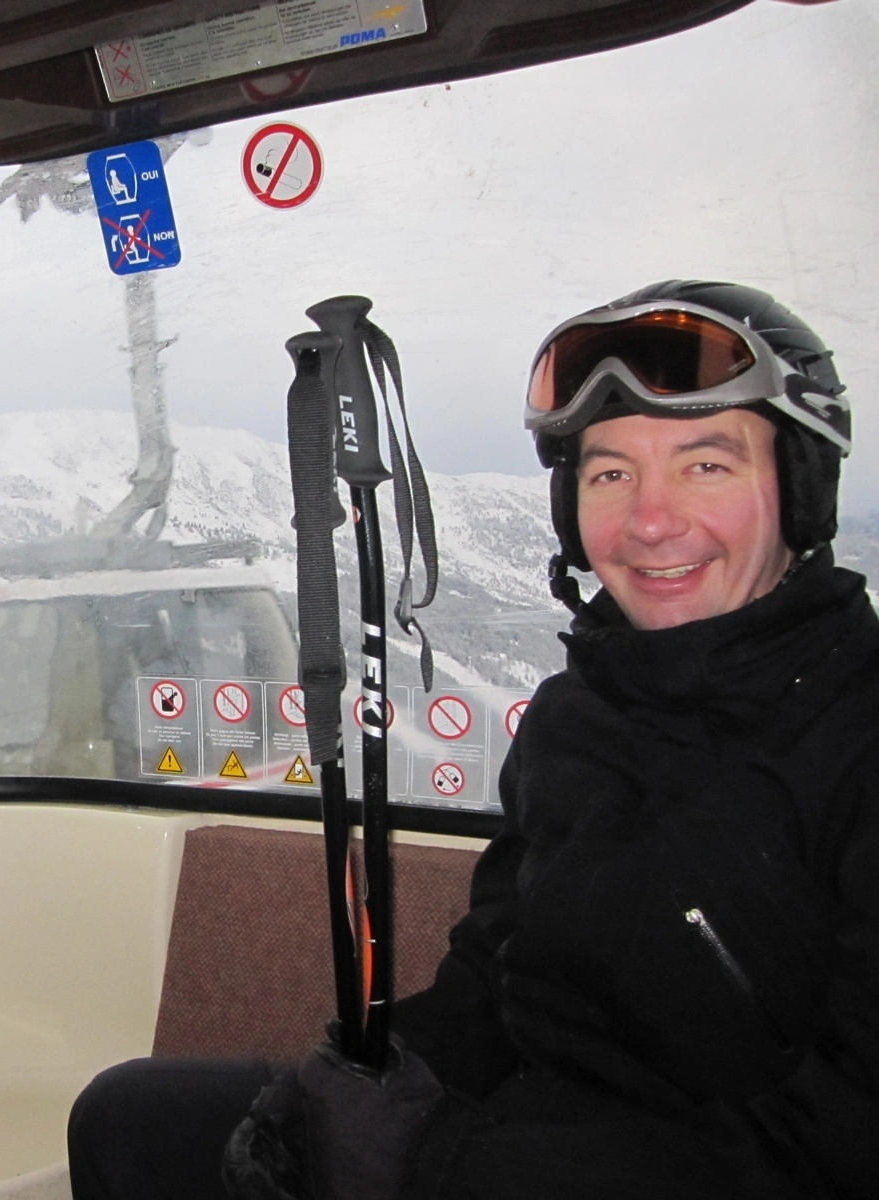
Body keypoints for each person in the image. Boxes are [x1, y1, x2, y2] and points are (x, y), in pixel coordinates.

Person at [67, 280, 879, 1199]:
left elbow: (842, 1148)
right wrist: (355, 1086)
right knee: (128, 1120)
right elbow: (495, 973)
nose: (650, 521)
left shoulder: (854, 742)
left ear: (802, 489)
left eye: (705, 466)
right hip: (511, 1136)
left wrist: (431, 1162)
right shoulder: (578, 716)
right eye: (611, 474)